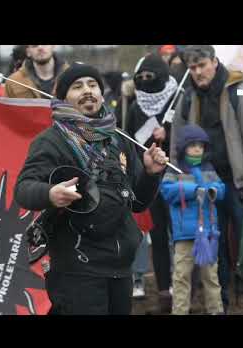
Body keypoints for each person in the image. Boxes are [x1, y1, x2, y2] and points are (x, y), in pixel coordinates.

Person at [14, 62, 168, 315]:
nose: (87, 90)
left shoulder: (118, 138)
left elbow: (137, 202)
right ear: (63, 97)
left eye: (92, 85)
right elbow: (23, 189)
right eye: (77, 86)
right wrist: (50, 194)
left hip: (120, 266)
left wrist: (151, 174)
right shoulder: (50, 142)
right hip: (77, 268)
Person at [170, 45, 243, 314]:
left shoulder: (240, 89)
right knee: (216, 247)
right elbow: (177, 142)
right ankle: (220, 303)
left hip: (240, 181)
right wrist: (179, 179)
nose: (198, 72)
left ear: (214, 61)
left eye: (202, 65)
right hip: (205, 184)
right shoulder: (187, 97)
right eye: (192, 68)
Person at [126, 54, 179, 312]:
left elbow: (193, 134)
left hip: (178, 179)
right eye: (141, 78)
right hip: (150, 180)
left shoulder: (178, 98)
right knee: (157, 236)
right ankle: (163, 290)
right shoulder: (135, 106)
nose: (146, 81)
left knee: (180, 236)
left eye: (150, 76)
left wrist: (168, 133)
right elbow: (129, 141)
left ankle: (184, 286)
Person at [161, 125, 225, 315]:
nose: (198, 149)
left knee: (211, 277)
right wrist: (193, 190)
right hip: (184, 235)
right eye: (192, 145)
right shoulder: (173, 170)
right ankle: (180, 311)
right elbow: (167, 191)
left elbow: (221, 188)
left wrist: (214, 190)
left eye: (201, 145)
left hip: (207, 235)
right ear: (183, 147)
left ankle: (216, 310)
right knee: (181, 277)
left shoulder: (209, 169)